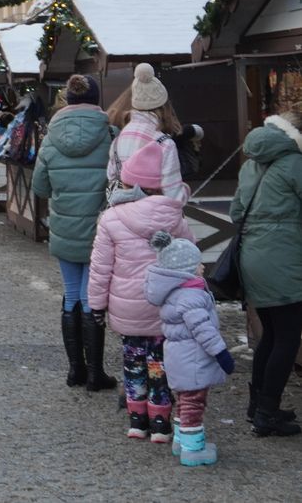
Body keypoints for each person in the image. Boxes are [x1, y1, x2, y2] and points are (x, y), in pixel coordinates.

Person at [87, 140, 196, 442]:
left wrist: (96, 305)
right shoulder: (175, 217)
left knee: (132, 361)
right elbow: (190, 258)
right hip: (163, 306)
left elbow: (100, 268)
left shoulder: (112, 219)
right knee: (159, 364)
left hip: (128, 308)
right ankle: (161, 423)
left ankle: (137, 420)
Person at [31, 74, 117, 392]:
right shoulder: (110, 134)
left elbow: (39, 186)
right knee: (89, 297)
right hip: (100, 230)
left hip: (65, 229)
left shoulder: (51, 137)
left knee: (71, 295)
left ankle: (75, 370)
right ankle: (96, 373)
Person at [231, 110, 302, 437]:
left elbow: (235, 213)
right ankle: (267, 412)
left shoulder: (250, 165)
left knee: (271, 335)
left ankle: (257, 403)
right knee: (287, 337)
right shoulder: (295, 165)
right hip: (283, 260)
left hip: (253, 258)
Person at [145, 233, 236, 466]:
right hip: (193, 359)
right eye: (198, 264)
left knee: (185, 401)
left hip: (181, 358)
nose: (203, 267)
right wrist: (222, 354)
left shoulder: (177, 293)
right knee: (194, 404)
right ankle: (192, 450)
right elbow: (203, 329)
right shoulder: (190, 296)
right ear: (185, 269)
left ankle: (181, 442)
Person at [107, 63, 188, 204]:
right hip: (154, 219)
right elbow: (174, 197)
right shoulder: (165, 144)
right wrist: (185, 192)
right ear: (164, 106)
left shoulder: (118, 140)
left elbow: (111, 177)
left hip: (123, 219)